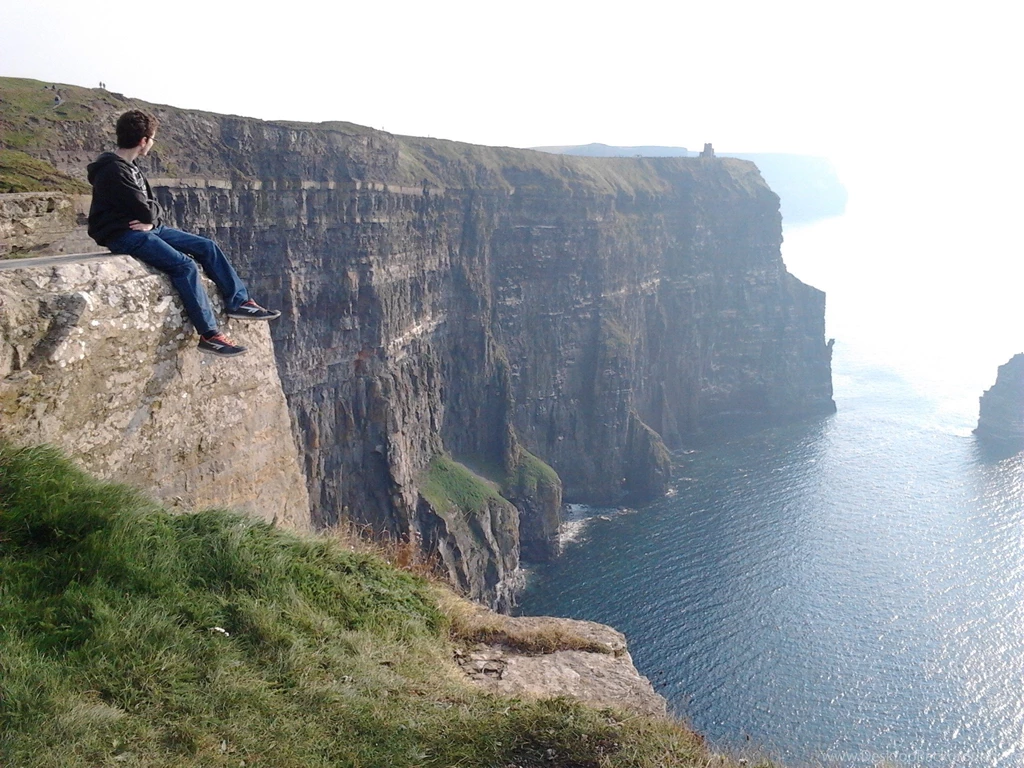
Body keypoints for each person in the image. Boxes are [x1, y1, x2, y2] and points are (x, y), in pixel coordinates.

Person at [87, 109, 279, 357]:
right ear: (144, 140)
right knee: (184, 266)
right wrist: (150, 215)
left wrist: (150, 216)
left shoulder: (130, 166)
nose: (152, 144)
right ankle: (210, 335)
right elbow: (147, 209)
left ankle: (238, 301)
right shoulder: (115, 170)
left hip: (147, 228)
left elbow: (150, 208)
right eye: (152, 138)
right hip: (123, 235)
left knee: (206, 246)